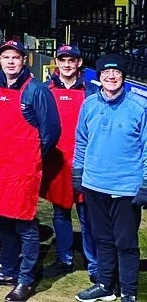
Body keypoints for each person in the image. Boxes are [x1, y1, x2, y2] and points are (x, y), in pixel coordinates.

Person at [0, 40, 60, 302]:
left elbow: (51, 133)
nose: (10, 62)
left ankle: (26, 279)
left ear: (24, 60)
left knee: (25, 224)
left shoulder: (36, 91)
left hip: (22, 170)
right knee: (1, 221)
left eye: (16, 57)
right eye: (6, 57)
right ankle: (8, 270)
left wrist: (30, 159)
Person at [73, 54, 147, 302]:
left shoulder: (140, 107)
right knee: (102, 239)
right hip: (94, 185)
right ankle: (105, 285)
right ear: (100, 77)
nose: (111, 77)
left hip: (126, 188)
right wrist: (78, 173)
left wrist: (146, 184)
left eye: (116, 73)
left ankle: (129, 292)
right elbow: (81, 142)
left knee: (125, 243)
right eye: (106, 73)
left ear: (123, 77)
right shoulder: (89, 105)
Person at [40, 44, 97, 282]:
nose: (66, 64)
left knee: (88, 216)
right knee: (61, 213)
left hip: (85, 164)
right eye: (62, 60)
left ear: (78, 63)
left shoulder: (91, 91)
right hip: (57, 163)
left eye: (71, 60)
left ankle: (94, 264)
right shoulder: (45, 90)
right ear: (56, 62)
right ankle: (64, 259)